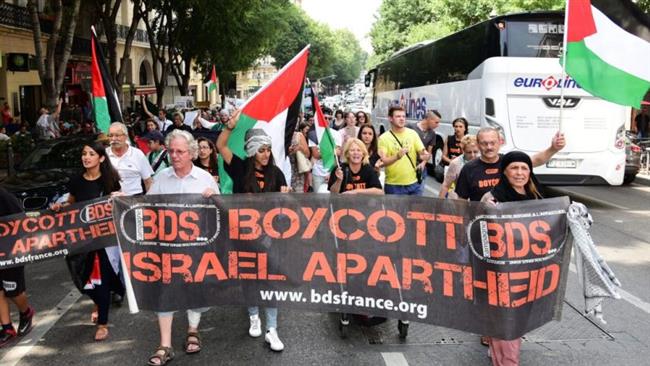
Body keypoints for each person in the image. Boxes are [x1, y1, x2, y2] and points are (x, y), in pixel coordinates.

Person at [217, 109, 289, 352]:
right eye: (261, 150)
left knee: (270, 280)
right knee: (248, 279)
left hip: (269, 236)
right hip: (243, 235)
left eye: (268, 149)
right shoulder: (238, 167)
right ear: (251, 151)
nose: (266, 154)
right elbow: (221, 145)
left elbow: (284, 205)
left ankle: (272, 328)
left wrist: (285, 197)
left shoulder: (276, 173)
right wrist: (230, 127)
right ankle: (253, 316)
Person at [146, 130, 219, 365]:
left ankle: (192, 330)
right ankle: (164, 345)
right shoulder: (161, 178)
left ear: (192, 154)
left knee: (195, 289)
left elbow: (220, 214)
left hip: (195, 249)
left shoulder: (205, 179)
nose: (174, 156)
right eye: (171, 151)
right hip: (166, 249)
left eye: (180, 152)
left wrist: (213, 198)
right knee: (164, 293)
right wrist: (121, 199)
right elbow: (144, 207)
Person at [50, 142, 124, 341]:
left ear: (101, 158)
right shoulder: (76, 181)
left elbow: (118, 203)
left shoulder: (110, 179)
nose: (86, 157)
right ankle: (104, 297)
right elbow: (72, 202)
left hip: (104, 240)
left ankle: (102, 323)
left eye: (91, 154)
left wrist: (119, 198)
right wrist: (61, 207)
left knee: (102, 277)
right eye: (84, 153)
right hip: (81, 240)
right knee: (82, 278)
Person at [480, 151, 543, 366]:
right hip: (500, 274)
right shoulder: (492, 199)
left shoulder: (536, 197)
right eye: (514, 168)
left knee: (514, 323)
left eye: (524, 168)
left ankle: (499, 350)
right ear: (504, 171)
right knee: (508, 323)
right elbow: (481, 236)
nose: (520, 173)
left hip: (528, 272)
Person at [454, 127, 565, 202]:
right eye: (484, 143)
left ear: (500, 142)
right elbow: (461, 201)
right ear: (478, 145)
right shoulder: (469, 168)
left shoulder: (509, 161)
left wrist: (553, 148)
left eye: (493, 143)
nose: (489, 147)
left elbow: (537, 159)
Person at [0, 186, 36, 347]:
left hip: (9, 250)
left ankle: (26, 312)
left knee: (13, 291)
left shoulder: (3, 196)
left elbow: (21, 218)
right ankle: (7, 328)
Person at [378, 105, 431, 196]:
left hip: (414, 184)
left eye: (403, 116)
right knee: (395, 211)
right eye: (398, 116)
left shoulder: (412, 134)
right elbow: (383, 162)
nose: (402, 119)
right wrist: (397, 156)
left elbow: (422, 152)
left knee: (413, 210)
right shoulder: (383, 138)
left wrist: (425, 156)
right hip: (394, 186)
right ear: (390, 118)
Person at [107, 122, 154, 195]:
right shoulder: (104, 154)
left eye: (117, 135)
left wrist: (148, 203)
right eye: (110, 135)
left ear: (125, 136)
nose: (113, 139)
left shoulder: (137, 154)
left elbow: (148, 182)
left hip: (135, 200)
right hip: (110, 201)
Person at [407, 110, 443, 179]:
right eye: (436, 122)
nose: (438, 125)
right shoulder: (410, 127)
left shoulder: (432, 134)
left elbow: (429, 153)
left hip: (420, 165)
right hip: (407, 164)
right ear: (429, 119)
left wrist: (423, 164)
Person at [288, 126, 310, 192]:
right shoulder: (279, 135)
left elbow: (307, 154)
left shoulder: (298, 135)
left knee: (297, 197)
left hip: (297, 171)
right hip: (283, 170)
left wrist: (300, 147)